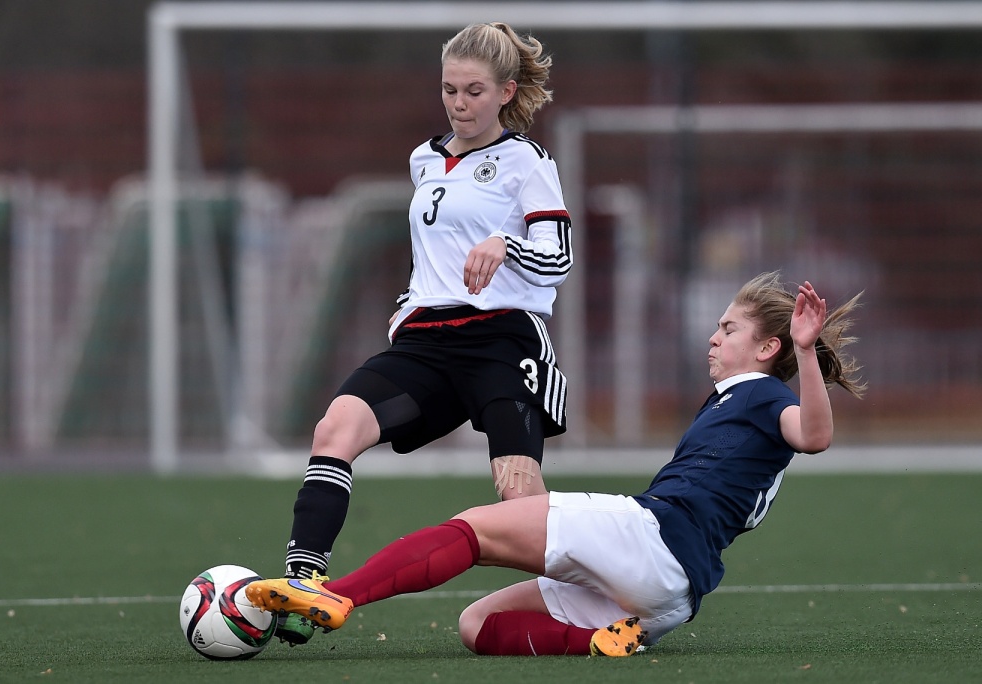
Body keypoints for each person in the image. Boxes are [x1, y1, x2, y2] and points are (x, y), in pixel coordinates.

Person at [248, 273, 866, 656]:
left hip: (651, 539)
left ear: (766, 348)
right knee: (478, 624)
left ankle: (334, 596)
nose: (713, 338)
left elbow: (814, 436)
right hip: (669, 597)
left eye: (729, 329)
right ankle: (598, 642)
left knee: (474, 529)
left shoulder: (765, 393)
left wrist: (807, 355)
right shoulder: (745, 400)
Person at [274, 22, 572, 646]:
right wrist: (411, 302)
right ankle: (303, 586)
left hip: (501, 340)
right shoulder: (424, 158)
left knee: (517, 490)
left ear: (505, 92)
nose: (459, 104)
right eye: (449, 90)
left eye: (473, 92)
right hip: (426, 343)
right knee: (336, 429)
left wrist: (507, 244)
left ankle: (582, 601)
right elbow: (433, 251)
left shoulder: (527, 161)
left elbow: (559, 256)